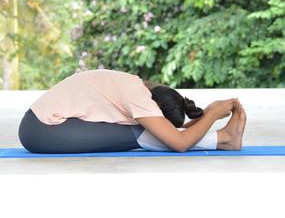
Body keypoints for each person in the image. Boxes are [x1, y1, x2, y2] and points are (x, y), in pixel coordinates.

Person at [18, 68, 247, 154]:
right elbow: (179, 143)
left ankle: (225, 139)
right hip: (42, 130)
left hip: (42, 124)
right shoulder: (138, 96)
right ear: (156, 106)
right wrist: (212, 115)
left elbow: (172, 133)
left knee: (141, 129)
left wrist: (203, 117)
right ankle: (225, 139)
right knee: (137, 133)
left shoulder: (134, 85)